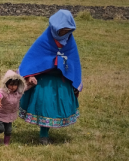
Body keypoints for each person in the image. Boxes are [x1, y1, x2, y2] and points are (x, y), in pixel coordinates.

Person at [18, 10, 83, 145]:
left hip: (61, 81)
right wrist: (30, 75)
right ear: (55, 28)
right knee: (45, 106)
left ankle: (49, 130)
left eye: (67, 30)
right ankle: (43, 135)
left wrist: (74, 80)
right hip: (44, 81)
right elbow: (32, 59)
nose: (64, 33)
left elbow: (73, 61)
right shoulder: (45, 39)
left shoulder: (70, 41)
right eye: (62, 30)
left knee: (56, 106)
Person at [0, 70, 26, 146]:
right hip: (0, 114)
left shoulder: (18, 93)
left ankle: (6, 143)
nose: (13, 87)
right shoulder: (2, 92)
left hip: (10, 114)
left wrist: (31, 84)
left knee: (8, 130)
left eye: (15, 85)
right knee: (0, 128)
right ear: (6, 84)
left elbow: (25, 88)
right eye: (11, 85)